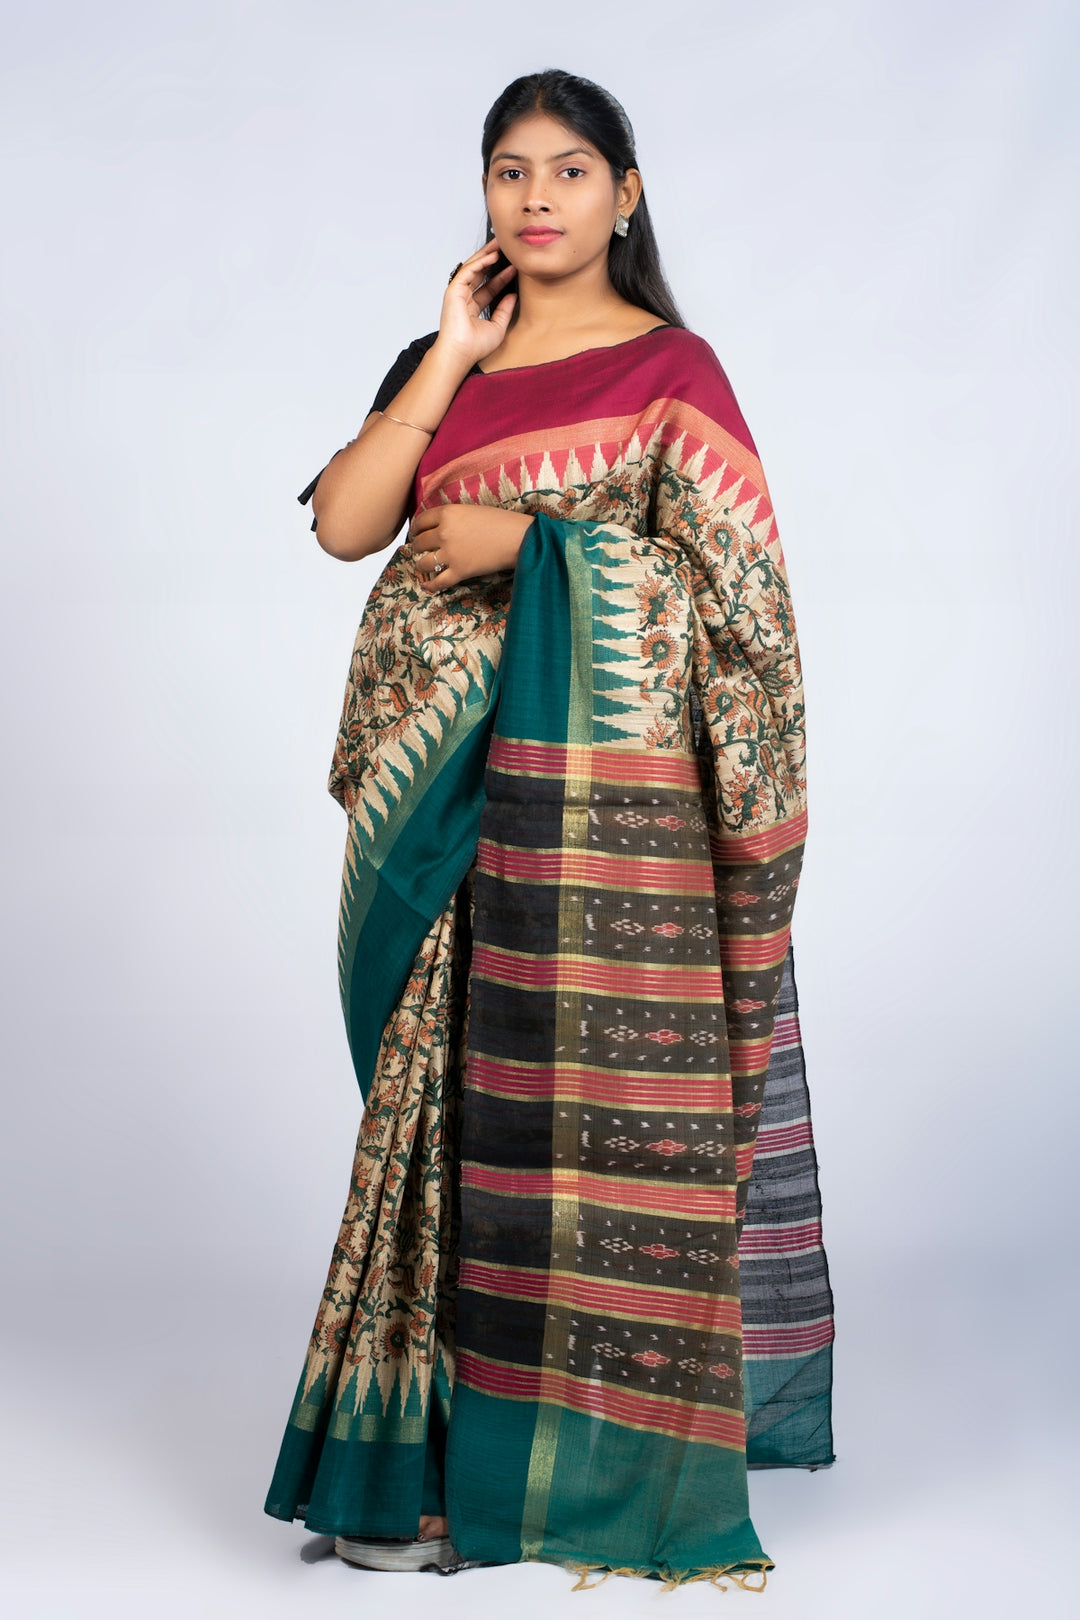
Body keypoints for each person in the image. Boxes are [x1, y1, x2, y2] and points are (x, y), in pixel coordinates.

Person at [264, 68, 834, 1589]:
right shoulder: (451, 357)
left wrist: (539, 547)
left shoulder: (675, 374)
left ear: (623, 195)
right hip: (430, 810)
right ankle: (425, 1466)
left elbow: (739, 619)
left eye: (568, 170)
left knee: (560, 1134)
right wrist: (450, 354)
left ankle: (547, 1480)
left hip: (585, 828)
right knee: (433, 1127)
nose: (535, 196)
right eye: (507, 170)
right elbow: (345, 523)